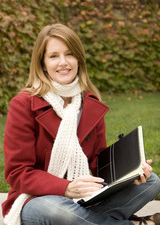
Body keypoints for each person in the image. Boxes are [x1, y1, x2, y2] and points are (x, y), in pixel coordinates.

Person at [2, 23, 160, 225]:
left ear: (78, 59)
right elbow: (17, 173)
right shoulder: (24, 104)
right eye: (53, 56)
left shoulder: (90, 103)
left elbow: (98, 163)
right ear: (42, 63)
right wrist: (67, 188)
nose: (63, 62)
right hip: (37, 199)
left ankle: (88, 221)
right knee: (57, 210)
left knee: (152, 182)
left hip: (85, 199)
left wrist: (131, 172)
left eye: (69, 54)